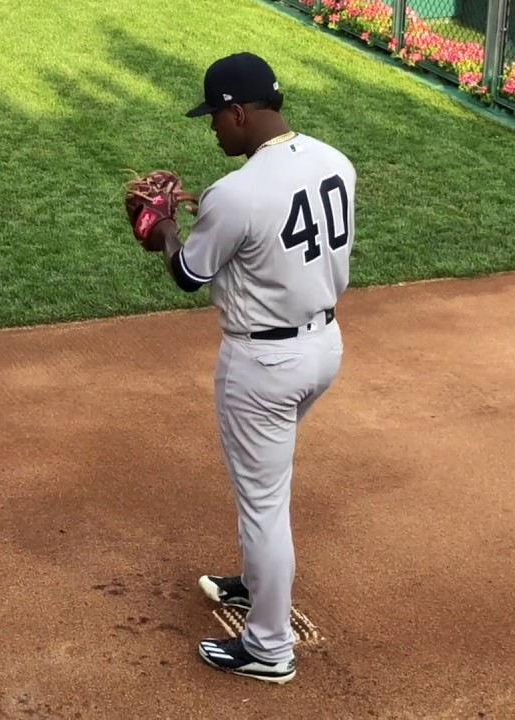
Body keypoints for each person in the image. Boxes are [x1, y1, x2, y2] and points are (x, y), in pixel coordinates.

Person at [141, 51, 357, 684]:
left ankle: (269, 650)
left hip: (263, 362)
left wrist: (166, 229)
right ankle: (257, 584)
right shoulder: (334, 161)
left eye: (216, 117)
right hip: (324, 348)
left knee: (263, 505)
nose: (212, 129)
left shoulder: (234, 194)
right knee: (270, 488)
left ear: (239, 112)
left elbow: (186, 274)